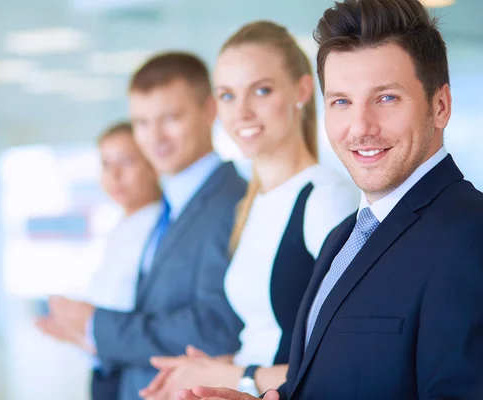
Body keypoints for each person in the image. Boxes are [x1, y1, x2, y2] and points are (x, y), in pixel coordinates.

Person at [175, 0, 483, 399]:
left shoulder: (470, 236)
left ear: (440, 106)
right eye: (341, 102)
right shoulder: (344, 238)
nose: (360, 127)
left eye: (386, 98)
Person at [138, 21, 359, 400]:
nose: (241, 113)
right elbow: (263, 335)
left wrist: (232, 374)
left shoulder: (325, 198)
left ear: (302, 90)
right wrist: (200, 373)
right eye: (226, 96)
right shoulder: (252, 202)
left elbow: (350, 362)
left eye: (261, 90)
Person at [40, 52, 248, 400]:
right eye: (142, 122)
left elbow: (216, 327)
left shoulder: (233, 202)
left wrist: (97, 326)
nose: (155, 137)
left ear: (210, 110)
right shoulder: (165, 206)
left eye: (170, 118)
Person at [37, 121, 162, 399]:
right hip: (105, 365)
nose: (114, 175)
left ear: (154, 164)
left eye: (127, 162)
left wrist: (86, 332)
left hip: (129, 369)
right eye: (106, 164)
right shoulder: (122, 224)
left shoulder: (160, 226)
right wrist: (75, 330)